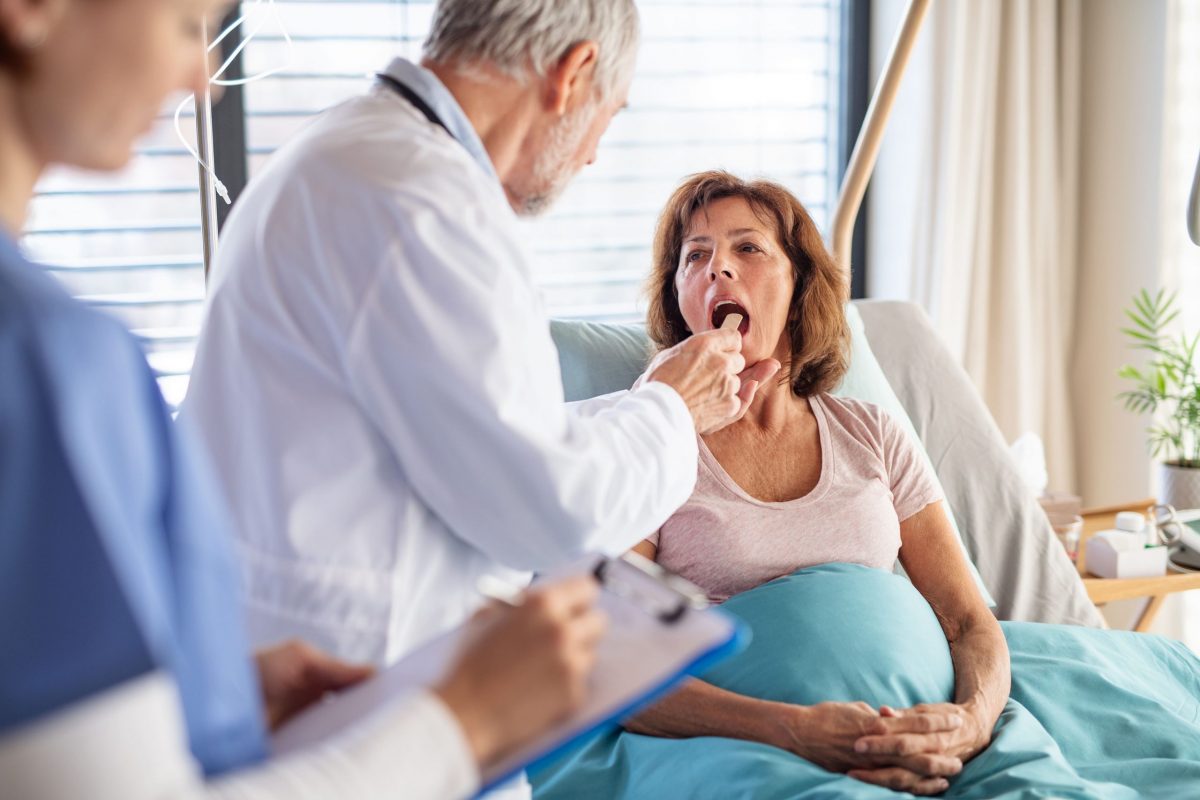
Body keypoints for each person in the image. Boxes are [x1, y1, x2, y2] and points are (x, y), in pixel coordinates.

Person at [0, 0, 612, 797]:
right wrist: (466, 720)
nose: (201, 81)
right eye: (189, 24)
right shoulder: (45, 362)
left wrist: (214, 695)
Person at [182, 0, 777, 674]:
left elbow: (468, 427)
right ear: (573, 74)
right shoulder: (430, 206)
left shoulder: (343, 151)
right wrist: (671, 408)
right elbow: (552, 514)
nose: (592, 157)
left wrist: (647, 401)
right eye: (608, 117)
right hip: (354, 675)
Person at [619, 171, 1010, 796]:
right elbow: (614, 665)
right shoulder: (644, 442)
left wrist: (970, 721)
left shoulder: (873, 433)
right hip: (743, 746)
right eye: (695, 256)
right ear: (679, 298)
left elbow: (968, 622)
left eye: (747, 248)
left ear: (800, 283)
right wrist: (794, 730)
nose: (718, 267)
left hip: (927, 729)